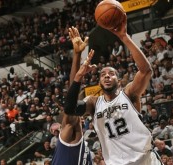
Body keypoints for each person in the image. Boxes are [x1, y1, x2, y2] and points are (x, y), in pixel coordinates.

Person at [64, 14, 160, 164]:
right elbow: (70, 107)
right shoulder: (94, 103)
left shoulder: (129, 94)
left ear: (119, 81)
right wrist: (77, 60)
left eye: (111, 74)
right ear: (99, 82)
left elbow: (146, 70)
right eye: (103, 74)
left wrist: (124, 36)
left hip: (145, 160)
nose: (107, 76)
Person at [51, 26, 93, 165]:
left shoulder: (72, 135)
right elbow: (72, 96)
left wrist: (77, 55)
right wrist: (77, 56)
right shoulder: (70, 133)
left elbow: (72, 98)